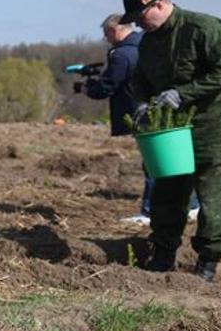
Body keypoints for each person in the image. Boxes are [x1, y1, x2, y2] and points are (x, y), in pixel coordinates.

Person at [121, 0, 221, 280]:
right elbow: (140, 80)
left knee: (212, 200)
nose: (137, 24)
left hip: (213, 129)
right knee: (167, 195)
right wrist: (139, 104)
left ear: (160, 6)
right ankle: (163, 255)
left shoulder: (202, 28)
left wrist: (183, 93)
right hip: (172, 133)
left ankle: (207, 263)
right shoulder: (149, 42)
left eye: (140, 17)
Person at [84, 14, 198, 226]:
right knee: (171, 160)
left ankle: (150, 212)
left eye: (106, 34)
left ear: (115, 30)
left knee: (154, 163)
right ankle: (193, 205)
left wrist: (88, 88)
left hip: (143, 112)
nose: (106, 39)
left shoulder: (122, 54)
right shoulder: (147, 45)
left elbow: (108, 86)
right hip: (163, 109)